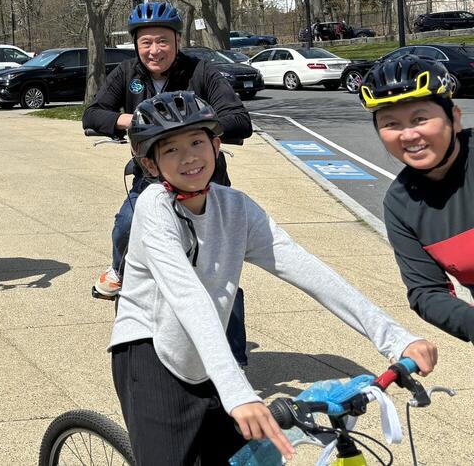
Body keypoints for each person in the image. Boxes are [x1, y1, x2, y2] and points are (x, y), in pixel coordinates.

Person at [112, 91, 437, 466]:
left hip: (208, 352)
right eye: (170, 150)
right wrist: (238, 393)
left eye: (197, 141)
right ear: (149, 164)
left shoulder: (236, 208)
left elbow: (309, 271)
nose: (188, 157)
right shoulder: (154, 209)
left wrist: (395, 338)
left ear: (216, 145)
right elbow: (188, 297)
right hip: (150, 352)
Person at [84, 1, 252, 363]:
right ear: (136, 45)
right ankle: (119, 271)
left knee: (221, 272)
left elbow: (239, 120)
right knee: (128, 223)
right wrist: (135, 121)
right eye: (146, 43)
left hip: (204, 183)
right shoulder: (126, 72)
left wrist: (192, 125)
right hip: (153, 179)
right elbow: (94, 114)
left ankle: (235, 360)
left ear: (177, 40)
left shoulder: (201, 72)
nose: (154, 50)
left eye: (162, 41)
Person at [360, 56, 474, 343]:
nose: (409, 134)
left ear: (455, 118)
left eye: (420, 118)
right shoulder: (400, 204)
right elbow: (427, 292)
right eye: (391, 124)